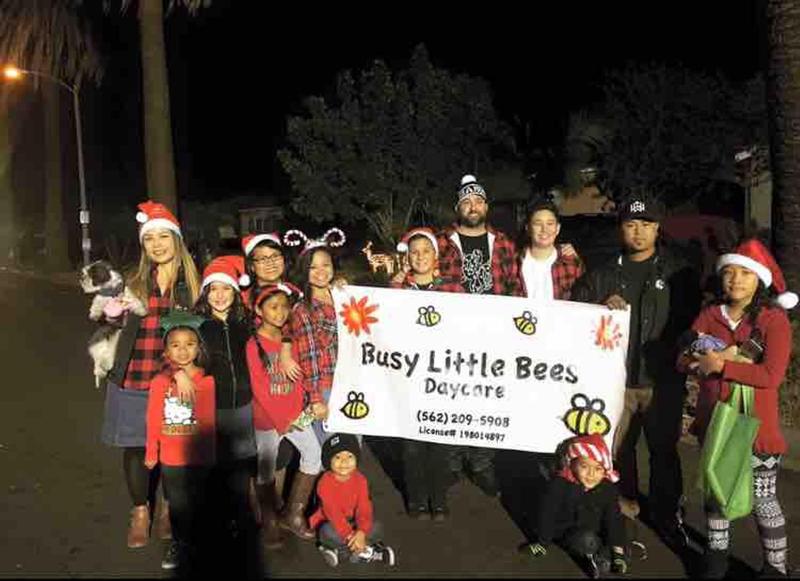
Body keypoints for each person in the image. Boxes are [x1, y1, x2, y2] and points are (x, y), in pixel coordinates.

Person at [570, 196, 700, 547]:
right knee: (618, 449)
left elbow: (695, 323)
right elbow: (574, 312)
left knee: (664, 449)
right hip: (616, 384)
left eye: (646, 224)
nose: (638, 232)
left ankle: (666, 511)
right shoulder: (602, 273)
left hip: (663, 381)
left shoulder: (679, 273)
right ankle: (622, 507)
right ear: (621, 229)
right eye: (631, 224)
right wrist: (600, 307)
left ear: (657, 228)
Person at [680, 239, 795, 578]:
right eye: (729, 272)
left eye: (745, 273)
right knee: (717, 495)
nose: (736, 280)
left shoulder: (772, 321)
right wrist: (697, 362)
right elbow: (682, 357)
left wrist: (722, 366)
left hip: (757, 430)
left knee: (763, 500)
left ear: (759, 279)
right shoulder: (709, 315)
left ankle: (775, 568)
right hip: (714, 422)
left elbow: (770, 375)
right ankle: (716, 560)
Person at [101, 200, 200, 549]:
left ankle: (168, 509)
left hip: (177, 381)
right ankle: (140, 510)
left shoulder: (193, 282)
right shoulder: (133, 280)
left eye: (163, 236)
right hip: (134, 374)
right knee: (135, 447)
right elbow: (110, 323)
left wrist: (189, 370)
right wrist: (111, 313)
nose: (157, 244)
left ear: (176, 239)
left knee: (175, 449)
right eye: (149, 238)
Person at [436, 174, 521, 497]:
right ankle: (453, 463)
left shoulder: (504, 243)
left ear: (486, 206)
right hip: (453, 333)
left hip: (493, 334)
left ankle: (482, 463)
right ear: (458, 207)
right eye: (466, 201)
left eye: (478, 201)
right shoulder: (441, 242)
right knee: (454, 394)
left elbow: (515, 287)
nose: (473, 206)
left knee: (486, 397)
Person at [192, 256, 264, 563]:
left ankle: (245, 508)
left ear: (235, 293)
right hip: (214, 405)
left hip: (245, 402)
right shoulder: (199, 326)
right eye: (213, 290)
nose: (220, 295)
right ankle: (218, 516)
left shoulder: (245, 323)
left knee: (245, 457)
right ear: (205, 294)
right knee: (217, 462)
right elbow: (180, 356)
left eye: (226, 289)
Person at [390, 227, 463, 521]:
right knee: (412, 446)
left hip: (443, 378)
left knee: (440, 444)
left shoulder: (454, 289)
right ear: (407, 257)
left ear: (436, 256)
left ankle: (439, 498)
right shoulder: (397, 290)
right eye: (414, 251)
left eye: (426, 251)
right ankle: (417, 498)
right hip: (409, 378)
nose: (420, 256)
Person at [246, 283, 326, 543]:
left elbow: (302, 376)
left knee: (314, 456)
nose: (280, 313)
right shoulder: (253, 344)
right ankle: (269, 519)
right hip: (268, 421)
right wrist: (282, 422)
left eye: (284, 307)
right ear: (259, 309)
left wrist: (309, 404)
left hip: (297, 415)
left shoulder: (290, 340)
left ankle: (293, 514)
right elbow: (260, 389)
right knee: (265, 470)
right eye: (273, 307)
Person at [145, 311, 215, 573]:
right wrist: (152, 451)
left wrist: (210, 455)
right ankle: (180, 541)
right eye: (176, 345)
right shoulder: (160, 382)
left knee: (198, 500)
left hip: (197, 457)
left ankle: (198, 542)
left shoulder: (206, 381)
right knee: (176, 501)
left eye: (189, 344)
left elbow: (208, 422)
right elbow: (153, 419)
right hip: (171, 457)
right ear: (167, 350)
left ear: (198, 347)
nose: (183, 351)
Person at [523, 434, 628, 578]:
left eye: (598, 469)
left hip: (598, 528)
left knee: (624, 527)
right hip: (570, 531)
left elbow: (613, 517)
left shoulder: (607, 488)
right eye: (584, 466)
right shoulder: (559, 485)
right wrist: (543, 542)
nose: (591, 474)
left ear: (605, 471)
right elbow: (547, 514)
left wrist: (618, 550)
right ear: (572, 464)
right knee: (586, 540)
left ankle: (614, 555)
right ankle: (596, 559)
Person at [285, 228, 347, 444]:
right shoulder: (303, 310)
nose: (320, 272)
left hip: (351, 384)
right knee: (332, 453)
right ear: (305, 271)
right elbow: (309, 358)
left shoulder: (344, 297)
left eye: (325, 265)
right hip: (326, 389)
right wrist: (316, 399)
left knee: (352, 450)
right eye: (313, 267)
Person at [310, 433, 396, 567]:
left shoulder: (360, 479)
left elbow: (364, 507)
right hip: (333, 523)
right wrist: (350, 535)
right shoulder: (324, 482)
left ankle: (345, 551)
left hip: (354, 522)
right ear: (329, 460)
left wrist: (361, 531)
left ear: (356, 459)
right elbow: (333, 514)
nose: (344, 462)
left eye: (350, 456)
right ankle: (367, 551)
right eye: (337, 457)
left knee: (378, 527)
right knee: (326, 531)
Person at [517, 196, 584, 301]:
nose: (544, 229)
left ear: (557, 229)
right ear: (528, 228)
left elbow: (585, 300)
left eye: (550, 224)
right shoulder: (515, 261)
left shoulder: (571, 262)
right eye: (538, 224)